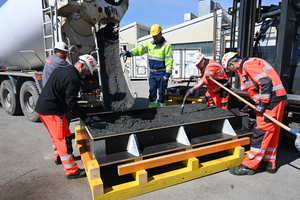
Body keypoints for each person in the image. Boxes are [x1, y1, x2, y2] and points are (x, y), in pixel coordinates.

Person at [222, 52, 287, 175]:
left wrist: (262, 104)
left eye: (229, 69)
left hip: (271, 101)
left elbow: (265, 82)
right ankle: (268, 163)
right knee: (272, 132)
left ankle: (249, 166)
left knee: (261, 131)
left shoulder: (247, 65)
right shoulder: (251, 62)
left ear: (232, 64)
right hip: (277, 98)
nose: (231, 71)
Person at [35, 54, 96, 179]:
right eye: (88, 71)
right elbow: (71, 103)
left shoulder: (63, 69)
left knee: (55, 136)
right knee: (64, 139)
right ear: (82, 65)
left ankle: (58, 157)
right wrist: (85, 117)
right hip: (52, 112)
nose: (87, 74)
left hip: (42, 109)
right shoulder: (73, 78)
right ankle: (71, 170)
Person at [120, 24, 173, 108]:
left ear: (160, 34)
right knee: (152, 92)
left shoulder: (167, 46)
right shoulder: (150, 44)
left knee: (161, 92)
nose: (154, 37)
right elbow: (139, 50)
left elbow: (169, 61)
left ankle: (162, 110)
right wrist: (128, 52)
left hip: (162, 74)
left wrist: (167, 75)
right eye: (153, 36)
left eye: (155, 35)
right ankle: (152, 109)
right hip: (152, 74)